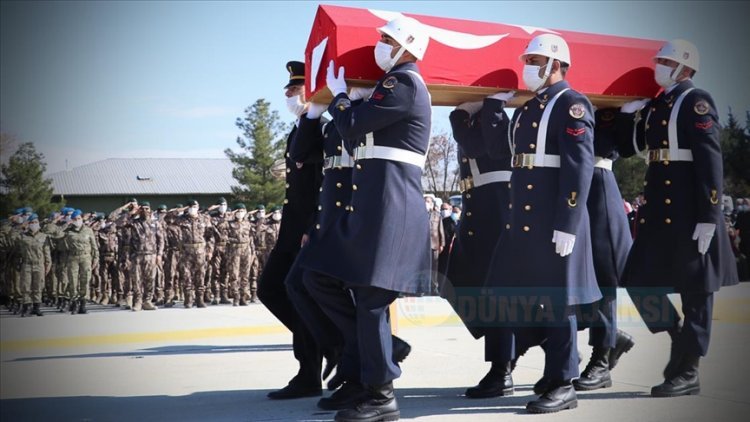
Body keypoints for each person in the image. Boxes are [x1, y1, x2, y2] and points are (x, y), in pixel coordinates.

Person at [302, 16, 431, 422]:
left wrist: (342, 100)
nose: (379, 44)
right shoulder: (387, 88)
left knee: (373, 301)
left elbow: (353, 126)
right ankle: (364, 370)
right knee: (319, 277)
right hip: (373, 205)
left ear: (407, 46)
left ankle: (380, 393)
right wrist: (356, 99)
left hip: (391, 207)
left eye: (386, 39)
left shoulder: (404, 82)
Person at [484, 33, 601, 413]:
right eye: (528, 60)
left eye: (535, 61)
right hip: (527, 220)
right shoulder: (529, 108)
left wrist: (568, 221)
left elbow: (579, 167)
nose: (528, 67)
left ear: (557, 65)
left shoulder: (572, 104)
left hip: (555, 220)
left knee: (559, 302)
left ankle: (564, 383)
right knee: (525, 298)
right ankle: (554, 371)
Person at [615, 39, 739, 397]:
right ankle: (677, 333)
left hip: (689, 211)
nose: (659, 65)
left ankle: (689, 370)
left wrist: (710, 215)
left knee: (697, 292)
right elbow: (630, 148)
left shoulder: (696, 101)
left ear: (685, 69)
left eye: (666, 61)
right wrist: (627, 117)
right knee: (637, 280)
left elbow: (709, 160)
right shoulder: (658, 105)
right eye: (659, 60)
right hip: (660, 213)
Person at [257, 60, 326, 400]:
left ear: (311, 91)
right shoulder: (299, 128)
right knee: (270, 288)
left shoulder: (321, 128)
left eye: (294, 88)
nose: (287, 94)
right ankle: (324, 347)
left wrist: (314, 226)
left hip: (309, 232)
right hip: (291, 232)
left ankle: (310, 372)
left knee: (300, 295)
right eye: (287, 88)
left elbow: (324, 184)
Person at [444, 92, 515, 398]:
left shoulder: (496, 119)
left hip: (497, 213)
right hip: (478, 213)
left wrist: (459, 115)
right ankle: (547, 341)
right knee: (454, 280)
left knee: (497, 295)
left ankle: (501, 371)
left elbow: (474, 145)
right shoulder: (480, 117)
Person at [571, 108, 636, 391]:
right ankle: (606, 341)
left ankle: (601, 358)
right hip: (567, 185)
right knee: (573, 280)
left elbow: (629, 146)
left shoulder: (606, 111)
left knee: (603, 276)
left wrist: (626, 115)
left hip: (597, 187)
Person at [15, 213, 51, 317]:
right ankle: (26, 307)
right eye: (32, 222)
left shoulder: (43, 236)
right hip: (26, 264)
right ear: (28, 223)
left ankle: (36, 307)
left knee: (38, 286)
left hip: (39, 265)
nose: (34, 224)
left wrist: (47, 264)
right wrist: (22, 226)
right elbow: (16, 248)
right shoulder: (22, 236)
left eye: (36, 222)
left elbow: (47, 252)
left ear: (38, 223)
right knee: (26, 287)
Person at [64, 209, 99, 314]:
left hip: (86, 258)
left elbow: (94, 246)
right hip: (73, 258)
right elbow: (59, 237)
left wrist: (96, 258)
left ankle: (83, 304)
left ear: (82, 219)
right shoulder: (68, 231)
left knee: (85, 280)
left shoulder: (88, 230)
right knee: (73, 281)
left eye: (79, 218)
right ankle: (74, 303)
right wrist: (66, 224)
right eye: (75, 219)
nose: (77, 220)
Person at [226, 203, 257, 306]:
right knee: (234, 275)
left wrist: (252, 252)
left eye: (242, 211)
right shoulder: (229, 224)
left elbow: (251, 238)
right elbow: (223, 236)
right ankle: (236, 296)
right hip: (234, 251)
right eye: (238, 211)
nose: (240, 213)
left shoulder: (248, 224)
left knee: (245, 275)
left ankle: (243, 297)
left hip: (246, 250)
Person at [425, 195, 445, 295]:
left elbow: (441, 230)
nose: (426, 203)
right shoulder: (420, 214)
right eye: (425, 201)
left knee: (434, 267)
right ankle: (423, 287)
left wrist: (442, 244)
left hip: (434, 244)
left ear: (432, 204)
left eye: (428, 201)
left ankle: (434, 287)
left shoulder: (437, 215)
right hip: (423, 246)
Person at [437, 202, 456, 277]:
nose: (444, 211)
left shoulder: (452, 221)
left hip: (449, 248)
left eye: (446, 209)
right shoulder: (439, 220)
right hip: (440, 249)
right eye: (442, 209)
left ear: (450, 209)